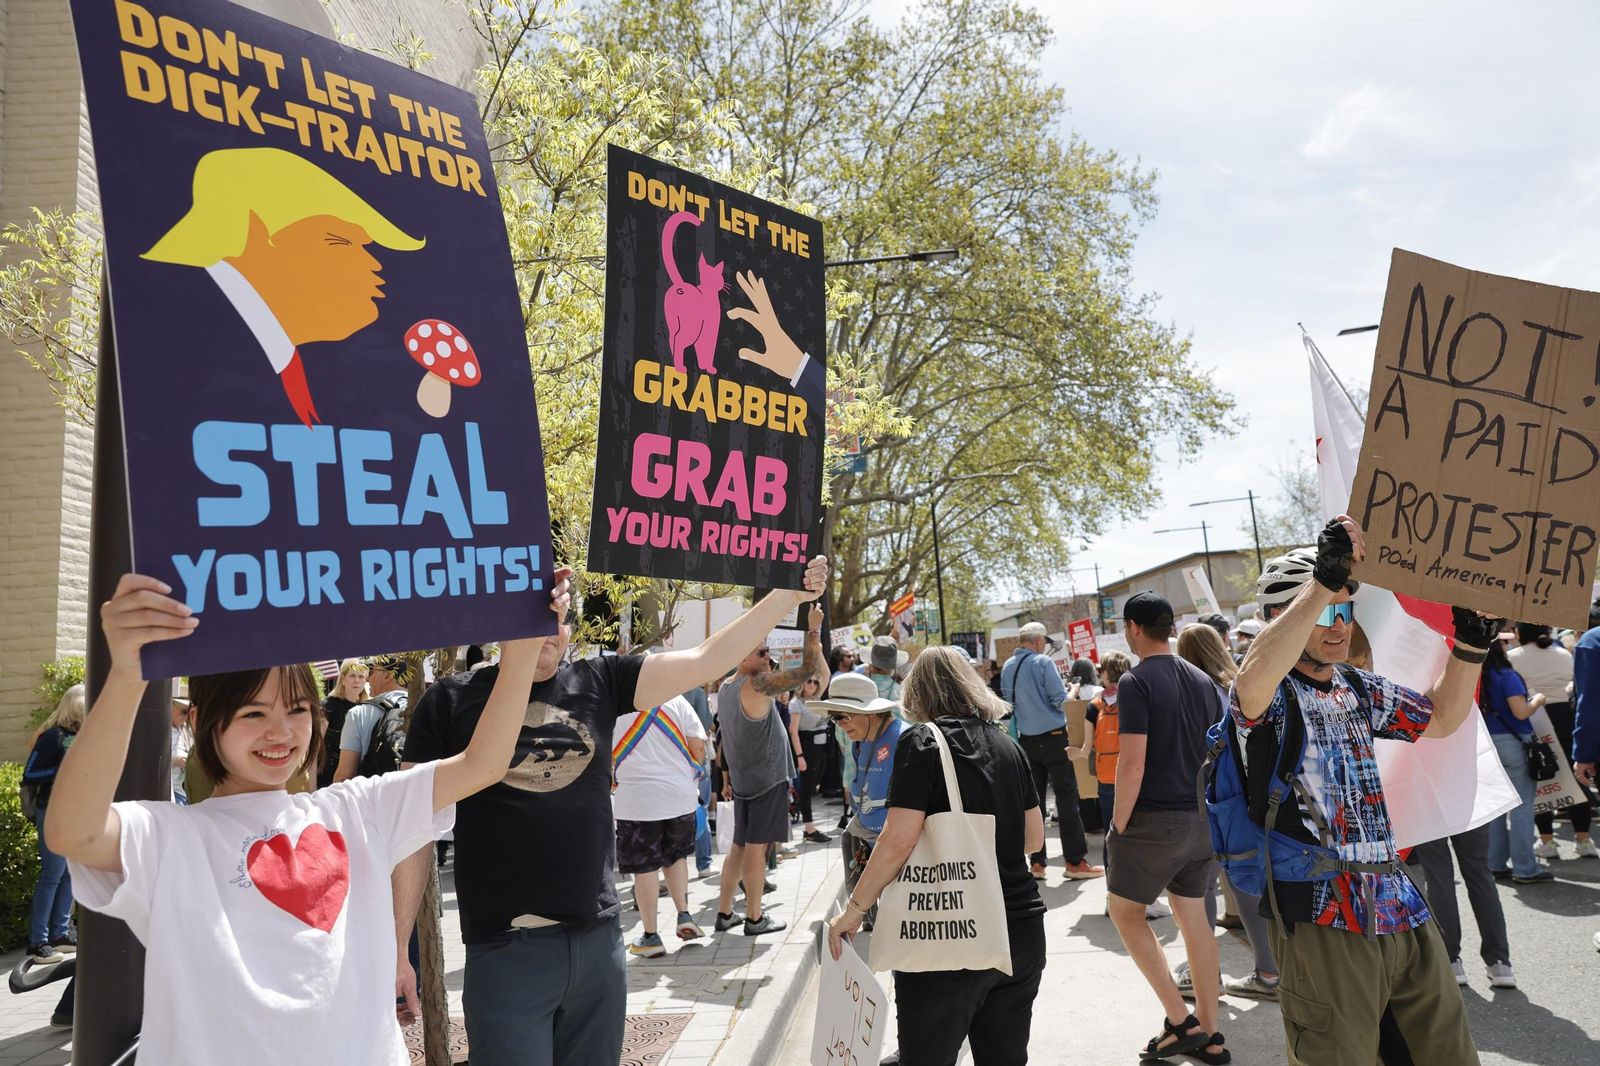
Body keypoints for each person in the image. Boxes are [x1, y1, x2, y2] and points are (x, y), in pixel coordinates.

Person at [46, 570, 569, 1065]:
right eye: (253, 713)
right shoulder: (171, 835)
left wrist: (521, 653)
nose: (280, 732)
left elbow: (483, 764)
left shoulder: (358, 806)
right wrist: (127, 674)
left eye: (297, 709)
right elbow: (73, 830)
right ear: (206, 723)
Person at [397, 557, 829, 1066]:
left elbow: (706, 659)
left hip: (598, 946)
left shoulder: (600, 678)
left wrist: (785, 597)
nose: (544, 633)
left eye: (553, 617)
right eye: (527, 617)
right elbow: (411, 829)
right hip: (507, 950)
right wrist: (399, 947)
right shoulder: (448, 703)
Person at [1231, 518, 1489, 1065]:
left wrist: (1469, 646)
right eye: (1324, 611)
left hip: (1397, 904)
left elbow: (1442, 719)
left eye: (1345, 610)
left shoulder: (1355, 686)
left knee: (1449, 1055)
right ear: (1279, 619)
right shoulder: (1269, 696)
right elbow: (1250, 686)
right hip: (1323, 914)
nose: (1338, 624)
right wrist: (1323, 581)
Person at [827, 647, 1046, 1066]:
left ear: (919, 694)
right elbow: (1033, 839)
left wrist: (853, 911)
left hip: (949, 934)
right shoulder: (1008, 743)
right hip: (1020, 930)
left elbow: (897, 840)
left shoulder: (922, 741)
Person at [1104, 594, 1227, 1064]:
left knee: (1125, 913)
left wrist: (1118, 824)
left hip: (1155, 820)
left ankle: (1182, 1021)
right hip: (1203, 819)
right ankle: (1212, 1036)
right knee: (1196, 922)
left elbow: (1132, 763)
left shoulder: (1135, 681)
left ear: (1134, 628)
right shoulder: (1204, 679)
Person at [1174, 623, 1280, 1002]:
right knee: (1247, 880)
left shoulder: (1190, 690)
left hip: (1211, 799)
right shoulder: (1239, 683)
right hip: (1249, 796)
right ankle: (1270, 972)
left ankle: (1207, 974)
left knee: (1199, 885)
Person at [714, 604, 828, 936]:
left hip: (746, 780)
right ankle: (754, 917)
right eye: (762, 652)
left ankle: (724, 913)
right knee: (756, 848)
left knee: (739, 847)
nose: (767, 657)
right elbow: (807, 670)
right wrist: (813, 630)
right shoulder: (756, 685)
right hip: (765, 779)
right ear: (743, 657)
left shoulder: (725, 687)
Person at [610, 680, 709, 958]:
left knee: (645, 867)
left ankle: (651, 936)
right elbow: (698, 746)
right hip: (678, 794)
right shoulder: (677, 700)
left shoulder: (617, 707)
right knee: (676, 857)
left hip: (637, 799)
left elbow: (604, 750)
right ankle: (684, 915)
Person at [1001, 621, 1102, 880]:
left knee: (1033, 803)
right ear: (1036, 641)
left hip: (1026, 740)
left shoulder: (1009, 667)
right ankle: (1075, 861)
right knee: (1067, 799)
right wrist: (1074, 689)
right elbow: (1061, 703)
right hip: (1054, 737)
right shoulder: (1043, 664)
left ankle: (1037, 862)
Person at [814, 672, 906, 920]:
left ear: (871, 712)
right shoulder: (861, 741)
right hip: (875, 854)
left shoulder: (905, 740)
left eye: (845, 715)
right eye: (835, 717)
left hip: (902, 864)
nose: (841, 724)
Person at [1510, 622, 1594, 859]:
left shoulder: (1513, 656)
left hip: (1533, 718)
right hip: (1565, 716)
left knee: (1540, 778)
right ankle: (1584, 838)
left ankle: (1547, 841)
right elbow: (1574, 684)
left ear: (1518, 632)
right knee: (1577, 779)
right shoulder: (1562, 653)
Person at [1482, 633, 1554, 884]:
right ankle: (1525, 868)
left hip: (1487, 746)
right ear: (1500, 649)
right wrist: (1538, 700)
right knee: (1522, 809)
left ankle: (1496, 864)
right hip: (1514, 744)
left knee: (1498, 809)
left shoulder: (1478, 678)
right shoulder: (1507, 676)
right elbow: (1521, 712)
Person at [23, 685, 85, 964]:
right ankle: (38, 941)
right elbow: (31, 772)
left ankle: (60, 933)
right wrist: (63, 768)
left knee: (70, 872)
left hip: (74, 811)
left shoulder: (77, 736)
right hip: (51, 810)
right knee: (53, 873)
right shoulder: (52, 737)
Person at [335, 655, 412, 782]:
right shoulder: (423, 709)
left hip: (372, 798)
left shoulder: (359, 713)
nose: (366, 679)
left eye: (371, 672)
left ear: (388, 675)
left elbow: (344, 777)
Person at [791, 675, 832, 844]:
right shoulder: (796, 703)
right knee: (806, 790)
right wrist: (800, 756)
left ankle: (810, 827)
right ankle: (809, 828)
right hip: (807, 748)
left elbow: (826, 674)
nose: (813, 685)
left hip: (821, 749)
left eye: (816, 682)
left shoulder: (816, 700)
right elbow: (793, 731)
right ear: (802, 683)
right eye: (809, 681)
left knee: (814, 788)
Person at [320, 658, 369, 788]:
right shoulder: (329, 705)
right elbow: (317, 743)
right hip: (328, 775)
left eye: (361, 676)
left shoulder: (367, 708)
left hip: (358, 776)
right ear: (343, 679)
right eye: (352, 675)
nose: (357, 680)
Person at [170, 696, 192, 804]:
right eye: (183, 712)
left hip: (181, 790)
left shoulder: (185, 730)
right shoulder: (161, 730)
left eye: (188, 713)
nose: (186, 717)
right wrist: (176, 761)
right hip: (170, 790)